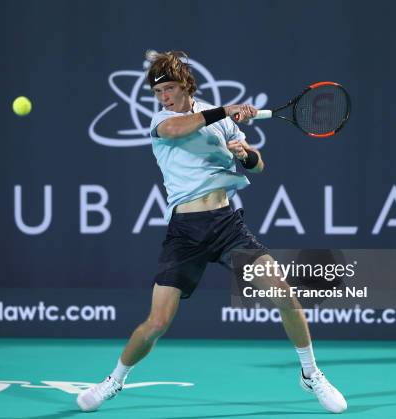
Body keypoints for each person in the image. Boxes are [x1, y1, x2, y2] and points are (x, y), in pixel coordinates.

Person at [77, 50, 347, 414]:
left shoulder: (221, 122)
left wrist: (245, 154)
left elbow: (258, 163)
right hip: (185, 233)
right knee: (157, 322)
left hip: (226, 225)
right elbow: (178, 128)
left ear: (185, 85)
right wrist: (225, 109)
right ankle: (115, 381)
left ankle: (311, 374)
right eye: (158, 92)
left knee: (284, 295)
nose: (164, 97)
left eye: (169, 89)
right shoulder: (163, 121)